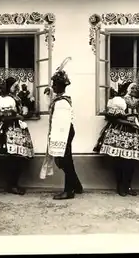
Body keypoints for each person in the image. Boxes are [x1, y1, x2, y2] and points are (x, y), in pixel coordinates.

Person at [93, 81, 139, 196]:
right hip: (120, 130)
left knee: (131, 161)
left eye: (136, 88)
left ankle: (128, 186)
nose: (134, 90)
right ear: (127, 89)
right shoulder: (120, 100)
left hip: (135, 132)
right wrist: (128, 123)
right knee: (120, 160)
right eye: (132, 88)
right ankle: (120, 185)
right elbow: (112, 118)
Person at [40, 57, 83, 200]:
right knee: (65, 161)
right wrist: (48, 94)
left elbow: (62, 123)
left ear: (60, 86)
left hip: (64, 132)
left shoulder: (63, 102)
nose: (53, 86)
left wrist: (57, 138)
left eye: (54, 84)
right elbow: (51, 106)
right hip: (62, 131)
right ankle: (76, 185)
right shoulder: (58, 99)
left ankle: (69, 190)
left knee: (64, 160)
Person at [0, 77, 35, 195]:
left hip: (17, 128)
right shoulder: (4, 99)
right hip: (7, 130)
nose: (17, 87)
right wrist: (17, 116)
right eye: (14, 85)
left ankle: (14, 183)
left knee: (18, 158)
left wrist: (24, 112)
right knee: (11, 158)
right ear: (9, 87)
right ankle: (11, 184)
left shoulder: (15, 97)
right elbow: (2, 114)